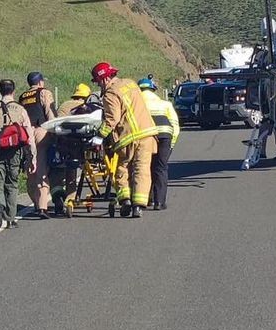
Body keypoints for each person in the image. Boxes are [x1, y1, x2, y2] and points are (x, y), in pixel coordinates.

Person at [90, 62, 159, 218]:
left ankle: (125, 200)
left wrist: (99, 136)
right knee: (141, 169)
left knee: (122, 170)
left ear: (104, 79)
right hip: (146, 134)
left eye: (98, 81)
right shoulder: (131, 84)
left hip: (127, 138)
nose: (99, 85)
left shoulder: (110, 93)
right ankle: (138, 206)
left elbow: (111, 119)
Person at [0, 79, 36, 229]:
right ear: (13, 91)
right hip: (15, 151)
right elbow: (29, 135)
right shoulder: (20, 109)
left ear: (0, 91)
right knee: (12, 183)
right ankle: (10, 218)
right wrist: (32, 157)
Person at [49, 83, 91, 215]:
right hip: (76, 145)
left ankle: (57, 198)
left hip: (60, 143)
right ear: (86, 97)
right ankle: (69, 199)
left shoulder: (63, 105)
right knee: (71, 172)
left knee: (56, 172)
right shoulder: (85, 108)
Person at [19, 71, 56, 218]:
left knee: (31, 168)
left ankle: (35, 202)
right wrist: (56, 132)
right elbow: (50, 113)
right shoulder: (44, 93)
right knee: (41, 167)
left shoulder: (23, 97)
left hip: (26, 135)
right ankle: (42, 207)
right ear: (40, 82)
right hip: (41, 131)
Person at [139, 78, 179, 210]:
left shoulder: (138, 104)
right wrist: (171, 144)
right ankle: (159, 202)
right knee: (160, 168)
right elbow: (175, 126)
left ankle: (145, 200)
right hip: (165, 135)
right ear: (153, 90)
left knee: (144, 166)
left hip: (146, 135)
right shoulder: (165, 104)